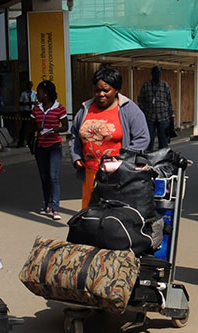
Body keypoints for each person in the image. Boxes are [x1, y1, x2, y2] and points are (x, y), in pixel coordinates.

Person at [69, 67, 150, 209]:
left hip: (118, 176)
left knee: (113, 216)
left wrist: (121, 159)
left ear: (116, 89)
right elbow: (74, 135)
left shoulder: (129, 109)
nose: (100, 94)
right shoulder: (85, 109)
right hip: (90, 174)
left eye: (106, 90)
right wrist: (76, 156)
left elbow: (142, 138)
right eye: (97, 90)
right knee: (90, 215)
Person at [31, 80, 68, 220]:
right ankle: (47, 205)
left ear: (45, 94)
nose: (37, 95)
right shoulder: (36, 109)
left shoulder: (60, 108)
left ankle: (55, 208)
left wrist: (54, 130)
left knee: (53, 177)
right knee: (44, 177)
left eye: (39, 92)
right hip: (41, 146)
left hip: (54, 146)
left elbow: (65, 126)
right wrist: (37, 127)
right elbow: (31, 126)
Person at [138, 66, 175, 151]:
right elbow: (140, 98)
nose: (157, 74)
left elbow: (169, 101)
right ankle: (148, 158)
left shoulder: (164, 85)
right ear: (152, 74)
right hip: (150, 117)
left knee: (163, 141)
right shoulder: (146, 85)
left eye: (158, 73)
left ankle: (163, 158)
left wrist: (171, 117)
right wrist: (144, 110)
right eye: (155, 72)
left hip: (163, 117)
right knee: (149, 140)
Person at [17, 81, 37, 147]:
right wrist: (27, 103)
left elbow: (37, 102)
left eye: (31, 85)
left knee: (32, 127)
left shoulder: (34, 93)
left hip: (32, 111)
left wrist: (33, 103)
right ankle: (21, 142)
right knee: (24, 127)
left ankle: (30, 141)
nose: (30, 87)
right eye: (29, 85)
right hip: (26, 111)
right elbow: (20, 102)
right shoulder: (23, 93)